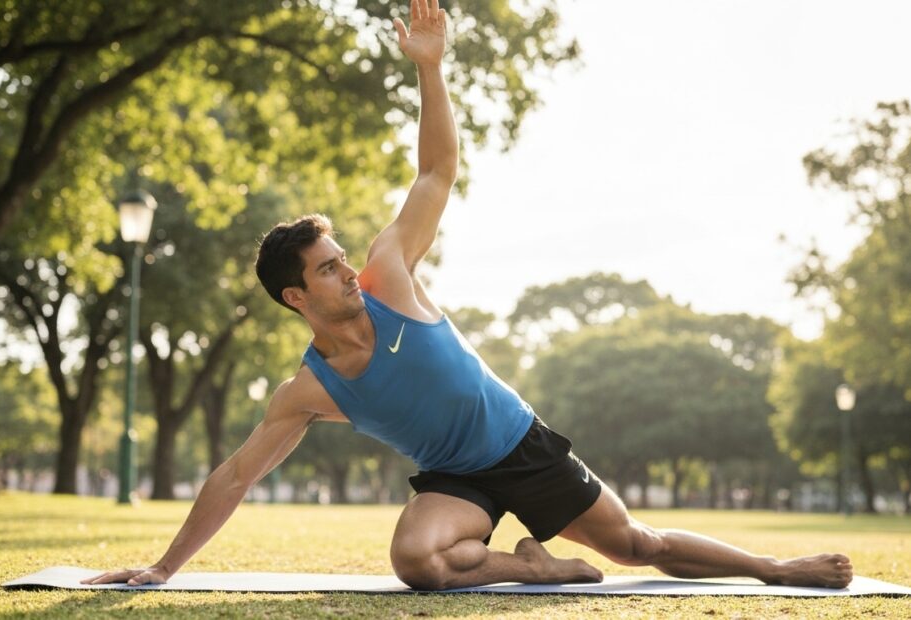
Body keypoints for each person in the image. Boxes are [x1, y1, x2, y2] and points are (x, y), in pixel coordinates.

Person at [85, 0, 853, 591]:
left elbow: (436, 174)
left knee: (635, 547)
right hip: (456, 483)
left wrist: (429, 67)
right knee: (417, 561)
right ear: (295, 296)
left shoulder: (390, 275)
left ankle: (775, 569)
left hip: (520, 445)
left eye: (341, 259)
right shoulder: (310, 390)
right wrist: (163, 569)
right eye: (327, 269)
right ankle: (532, 568)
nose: (348, 272)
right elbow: (234, 477)